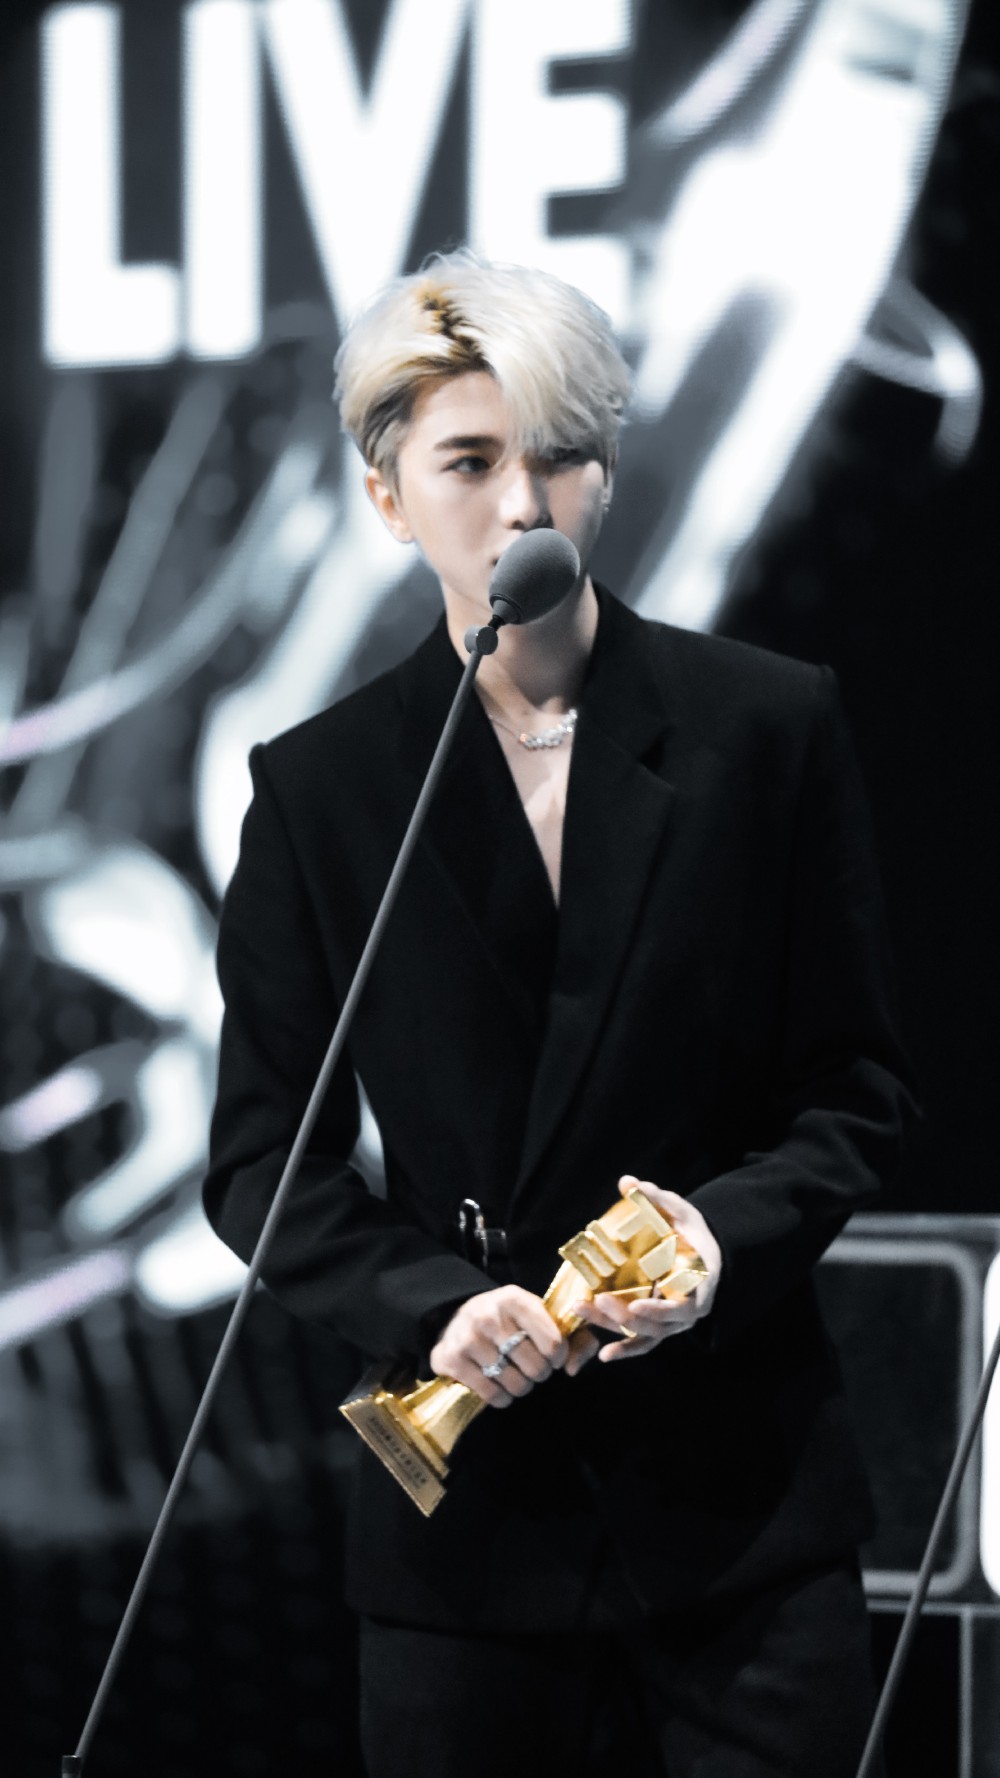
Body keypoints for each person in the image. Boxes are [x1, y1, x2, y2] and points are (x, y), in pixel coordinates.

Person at [203, 250, 916, 1777]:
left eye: (559, 455)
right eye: (469, 461)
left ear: (607, 473)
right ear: (388, 495)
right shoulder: (322, 788)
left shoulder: (765, 726)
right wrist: (430, 1304)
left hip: (740, 1520)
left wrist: (716, 1244)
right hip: (467, 1540)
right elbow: (264, 1162)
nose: (522, 503)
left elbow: (855, 1090)